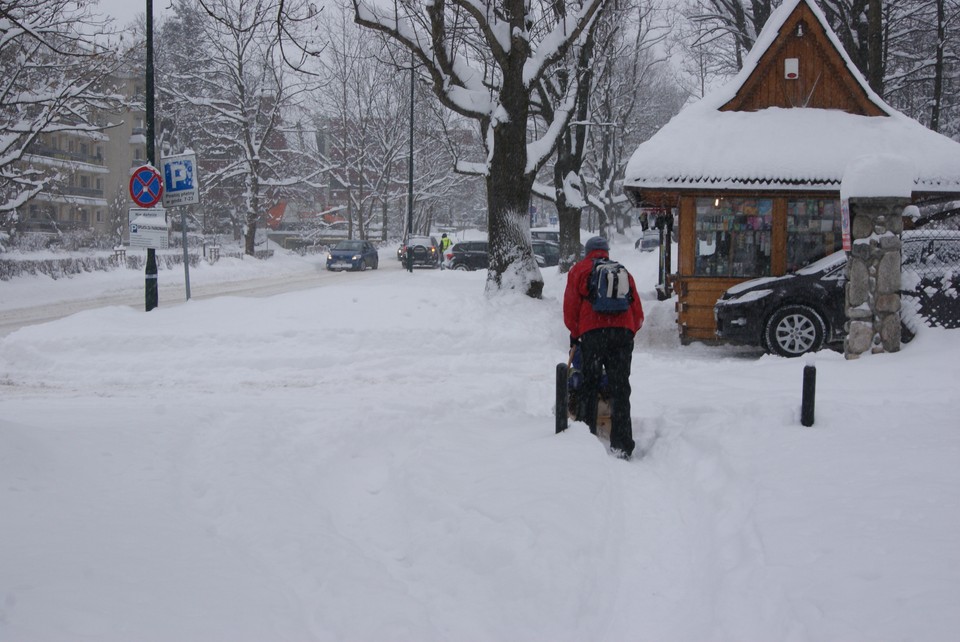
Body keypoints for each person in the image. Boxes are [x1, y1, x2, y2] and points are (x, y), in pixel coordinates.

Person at [563, 236, 644, 459]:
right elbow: (636, 309)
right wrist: (627, 332)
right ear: (606, 252)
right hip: (622, 334)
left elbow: (571, 307)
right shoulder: (622, 270)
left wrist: (577, 334)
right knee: (620, 388)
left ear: (587, 252)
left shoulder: (579, 270)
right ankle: (622, 445)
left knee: (589, 386)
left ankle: (586, 440)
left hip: (593, 334)